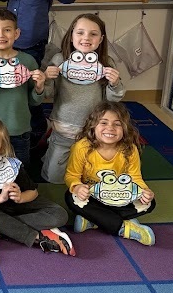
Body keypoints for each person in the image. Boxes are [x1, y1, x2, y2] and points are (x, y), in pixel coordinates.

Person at [0, 0, 76, 143]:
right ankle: (10, 123)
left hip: (32, 41)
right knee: (8, 82)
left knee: (30, 86)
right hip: (6, 40)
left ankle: (38, 128)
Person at [0, 116, 74, 255]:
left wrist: (20, 197)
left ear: (1, 147)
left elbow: (33, 192)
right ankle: (37, 237)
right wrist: (1, 198)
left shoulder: (11, 164)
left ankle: (0, 228)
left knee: (60, 215)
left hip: (20, 205)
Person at [42, 14, 125, 183]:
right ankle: (51, 152)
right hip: (64, 129)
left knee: (91, 178)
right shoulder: (59, 60)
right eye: (80, 33)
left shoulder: (106, 63)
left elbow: (112, 100)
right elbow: (47, 93)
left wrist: (115, 83)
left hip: (93, 132)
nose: (86, 38)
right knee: (53, 179)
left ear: (101, 39)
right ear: (71, 35)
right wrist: (47, 78)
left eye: (93, 34)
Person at [64, 102, 156, 245]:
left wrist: (144, 191)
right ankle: (124, 229)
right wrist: (77, 187)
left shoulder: (130, 149)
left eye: (117, 124)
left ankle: (93, 219)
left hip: (119, 197)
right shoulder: (81, 147)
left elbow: (135, 177)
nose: (110, 128)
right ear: (93, 126)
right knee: (71, 198)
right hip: (92, 196)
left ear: (125, 128)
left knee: (149, 203)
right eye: (104, 122)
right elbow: (72, 175)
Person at [0, 9, 46, 168]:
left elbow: (34, 102)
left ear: (17, 33)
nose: (1, 35)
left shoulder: (28, 61)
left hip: (19, 131)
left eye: (7, 30)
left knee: (20, 174)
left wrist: (39, 86)